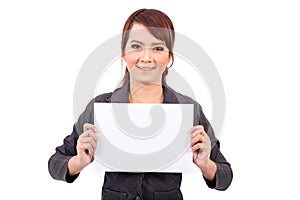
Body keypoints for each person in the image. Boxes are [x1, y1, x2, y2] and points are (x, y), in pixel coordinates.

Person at [48, 8, 233, 200]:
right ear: (124, 54)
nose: (146, 58)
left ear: (169, 57)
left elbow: (225, 176)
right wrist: (78, 161)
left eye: (158, 48)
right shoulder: (101, 107)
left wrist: (206, 165)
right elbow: (55, 163)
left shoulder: (188, 109)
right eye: (136, 46)